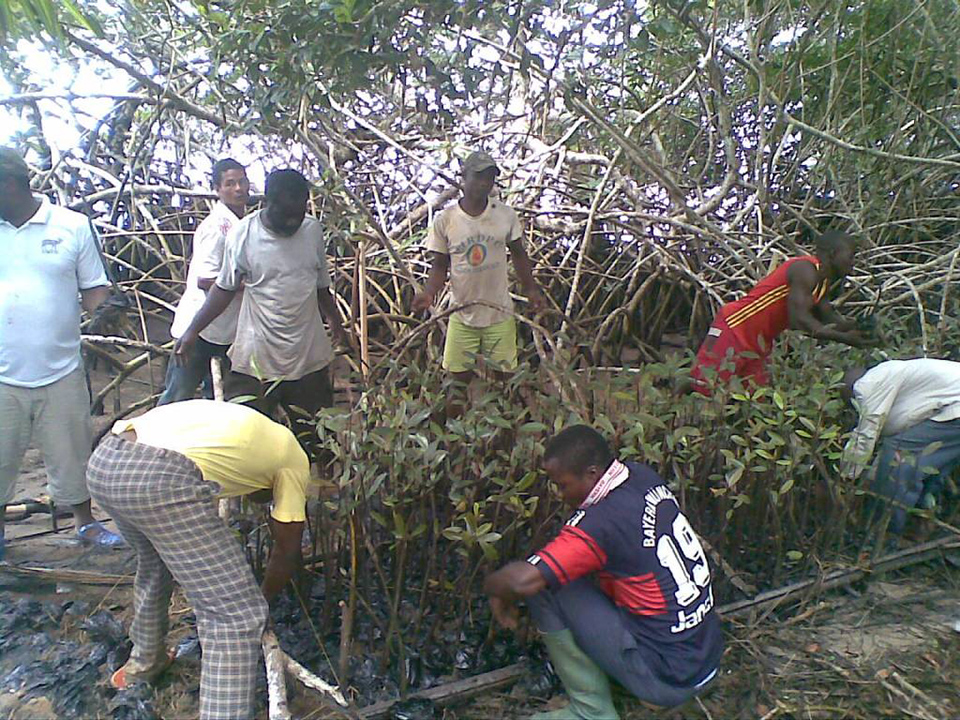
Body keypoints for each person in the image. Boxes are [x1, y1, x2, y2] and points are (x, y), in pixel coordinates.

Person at [86, 399, 310, 720]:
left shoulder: (249, 426)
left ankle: (144, 663)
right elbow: (288, 549)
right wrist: (262, 600)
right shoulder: (294, 461)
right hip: (156, 478)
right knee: (235, 615)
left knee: (154, 563)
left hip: (106, 460)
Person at [484, 426, 723, 719]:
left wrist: (493, 588)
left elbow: (523, 581)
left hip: (668, 679)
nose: (559, 495)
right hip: (704, 657)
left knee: (545, 584)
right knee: (566, 571)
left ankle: (591, 710)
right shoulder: (641, 476)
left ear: (592, 473)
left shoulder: (600, 525)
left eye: (563, 485)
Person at [0, 147, 123, 561]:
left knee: (71, 454)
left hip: (61, 368)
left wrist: (107, 311)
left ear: (11, 185)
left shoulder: (71, 226)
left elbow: (95, 291)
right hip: (2, 373)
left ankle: (85, 523)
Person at [174, 169, 349, 458]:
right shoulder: (244, 234)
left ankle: (317, 498)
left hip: (307, 354)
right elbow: (223, 289)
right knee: (250, 445)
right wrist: (193, 331)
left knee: (316, 441)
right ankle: (261, 500)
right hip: (257, 354)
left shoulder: (312, 230)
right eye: (287, 215)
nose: (294, 222)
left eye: (299, 213)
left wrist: (337, 325)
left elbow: (321, 287)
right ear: (267, 202)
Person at [411, 151, 545, 396]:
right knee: (455, 386)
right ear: (464, 178)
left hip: (499, 313)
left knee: (507, 386)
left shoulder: (505, 215)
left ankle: (506, 433)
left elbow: (519, 254)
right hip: (462, 315)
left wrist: (531, 289)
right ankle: (456, 433)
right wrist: (429, 293)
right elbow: (440, 265)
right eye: (479, 176)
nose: (484, 183)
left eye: (490, 178)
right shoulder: (446, 220)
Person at [690, 230, 876, 394]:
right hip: (736, 326)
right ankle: (676, 396)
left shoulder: (822, 284)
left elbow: (830, 319)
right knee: (705, 387)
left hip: (760, 341)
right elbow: (800, 320)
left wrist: (858, 326)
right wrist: (846, 338)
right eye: (851, 256)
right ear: (833, 254)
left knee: (754, 398)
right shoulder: (805, 269)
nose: (853, 262)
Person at [158, 159, 249, 405]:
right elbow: (206, 280)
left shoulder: (242, 225)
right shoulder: (216, 227)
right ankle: (154, 442)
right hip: (200, 328)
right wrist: (253, 286)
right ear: (217, 189)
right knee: (177, 396)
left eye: (242, 182)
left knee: (216, 399)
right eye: (230, 184)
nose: (238, 189)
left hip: (224, 331)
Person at [840, 358, 960, 534]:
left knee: (899, 453)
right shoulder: (894, 374)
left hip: (955, 409)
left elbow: (868, 431)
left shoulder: (867, 384)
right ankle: (921, 523)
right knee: (928, 467)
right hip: (952, 410)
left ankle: (886, 532)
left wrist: (846, 476)